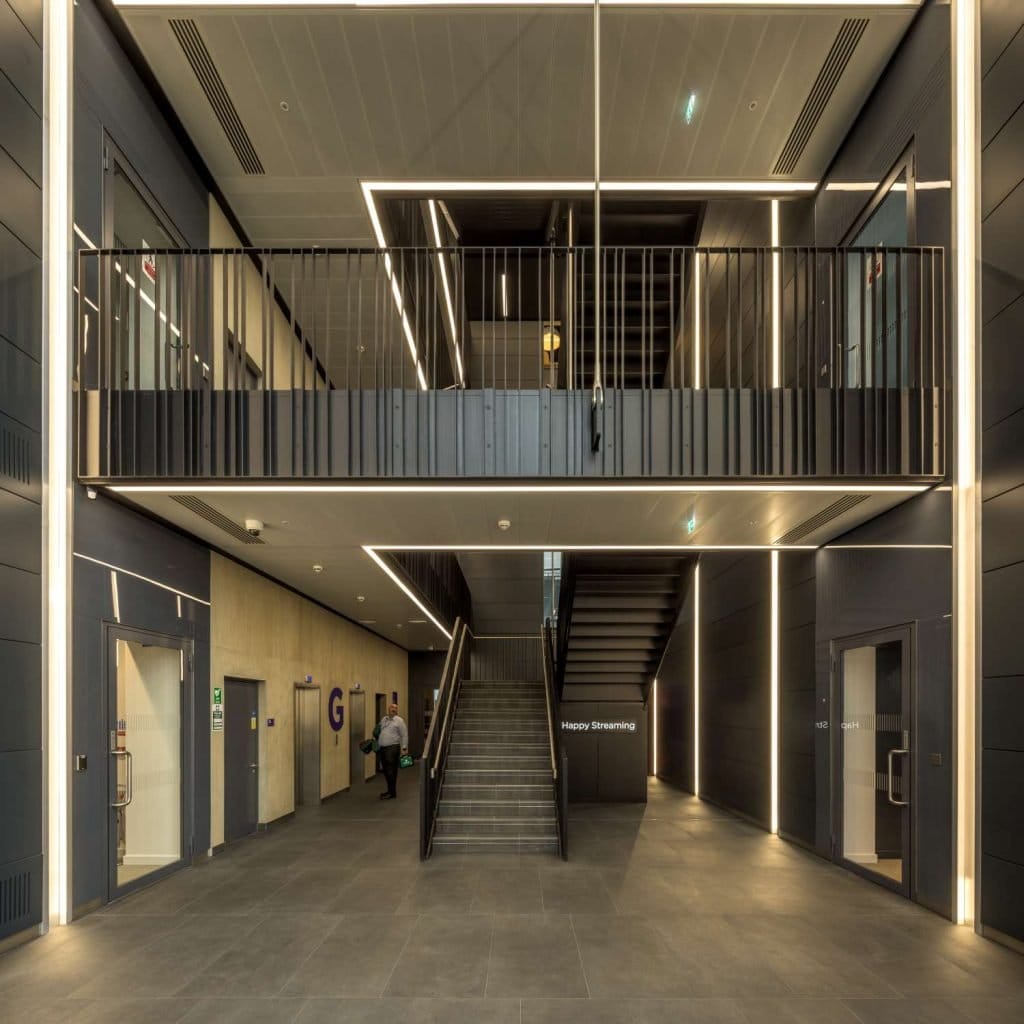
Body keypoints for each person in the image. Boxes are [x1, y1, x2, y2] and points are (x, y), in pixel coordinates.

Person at [376, 703, 408, 800]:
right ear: (388, 709)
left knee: (391, 771)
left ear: (397, 710)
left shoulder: (399, 721)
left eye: (395, 708)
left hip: (392, 748)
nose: (393, 709)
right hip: (383, 748)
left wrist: (404, 748)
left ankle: (392, 793)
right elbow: (379, 731)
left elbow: (404, 735)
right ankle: (390, 790)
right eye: (392, 707)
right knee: (385, 771)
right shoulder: (384, 719)